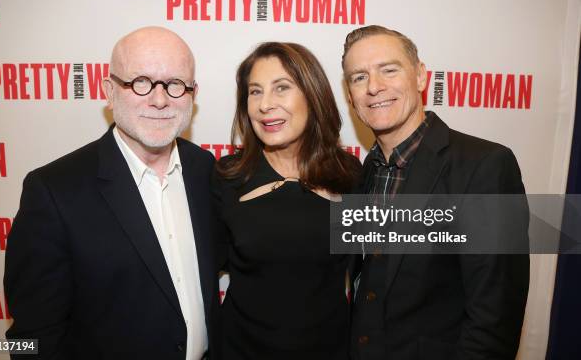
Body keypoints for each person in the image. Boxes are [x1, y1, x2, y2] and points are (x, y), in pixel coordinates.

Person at [4, 26, 218, 360]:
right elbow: (32, 339)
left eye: (175, 84)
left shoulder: (205, 169)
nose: (159, 99)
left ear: (193, 93)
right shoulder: (53, 192)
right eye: (140, 82)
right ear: (109, 90)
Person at [341, 25, 529, 359]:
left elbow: (494, 320)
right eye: (359, 77)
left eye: (389, 69)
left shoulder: (485, 166)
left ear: (421, 76)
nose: (374, 87)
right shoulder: (362, 173)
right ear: (349, 95)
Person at [212, 42, 361, 359]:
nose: (265, 104)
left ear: (312, 95)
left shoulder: (349, 174)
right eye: (255, 91)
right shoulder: (227, 176)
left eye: (281, 88)